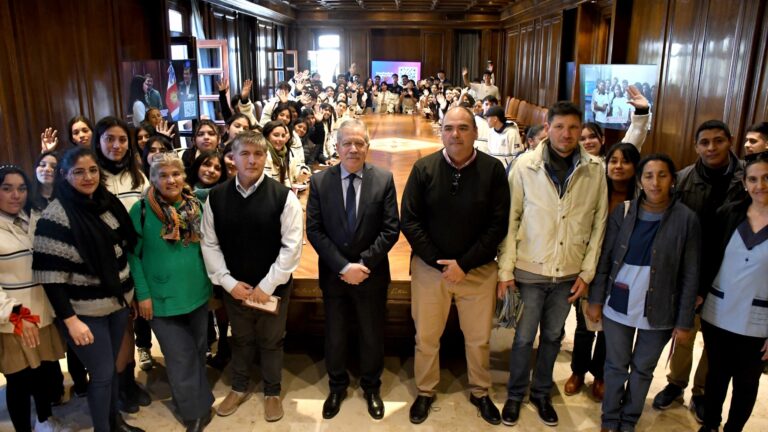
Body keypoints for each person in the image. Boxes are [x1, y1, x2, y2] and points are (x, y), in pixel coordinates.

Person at [497, 101, 608, 427]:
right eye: (560, 127)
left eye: (574, 128)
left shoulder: (594, 169)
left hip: (568, 273)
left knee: (553, 337)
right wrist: (506, 270)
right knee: (522, 337)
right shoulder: (526, 165)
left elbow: (598, 224)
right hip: (530, 270)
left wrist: (587, 273)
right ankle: (516, 395)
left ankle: (542, 393)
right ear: (548, 127)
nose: (567, 134)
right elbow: (511, 220)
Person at [401, 106, 510, 425]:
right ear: (442, 132)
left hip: (478, 270)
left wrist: (464, 263)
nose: (455, 134)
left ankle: (480, 391)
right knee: (426, 336)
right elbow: (410, 220)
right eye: (449, 128)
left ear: (476, 133)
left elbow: (498, 224)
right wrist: (440, 262)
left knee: (479, 339)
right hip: (429, 269)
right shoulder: (424, 168)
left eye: (463, 128)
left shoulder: (493, 170)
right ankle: (425, 391)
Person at [32, 147, 143, 432]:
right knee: (103, 374)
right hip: (85, 313)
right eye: (78, 172)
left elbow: (122, 249)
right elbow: (51, 277)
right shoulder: (56, 217)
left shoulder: (105, 203)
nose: (88, 177)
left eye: (93, 170)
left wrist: (128, 293)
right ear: (65, 175)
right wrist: (70, 320)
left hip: (117, 305)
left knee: (113, 372)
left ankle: (114, 423)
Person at [586, 153, 700, 432]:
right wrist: (597, 298)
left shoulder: (687, 219)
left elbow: (690, 274)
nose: (655, 182)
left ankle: (629, 419)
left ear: (673, 180)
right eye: (648, 175)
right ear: (640, 180)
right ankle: (610, 417)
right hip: (619, 302)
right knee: (615, 365)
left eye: (662, 175)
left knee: (642, 369)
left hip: (660, 307)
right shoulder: (622, 212)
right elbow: (605, 257)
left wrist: (684, 320)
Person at [201, 130, 303, 422]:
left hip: (272, 288)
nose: (252, 160)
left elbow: (292, 248)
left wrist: (267, 285)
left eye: (258, 154)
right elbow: (209, 243)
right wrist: (228, 283)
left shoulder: (284, 197)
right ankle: (239, 386)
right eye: (244, 153)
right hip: (235, 288)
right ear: (232, 158)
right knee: (241, 339)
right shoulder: (216, 197)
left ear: (266, 157)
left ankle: (272, 391)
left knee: (272, 341)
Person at [652, 120, 746, 422]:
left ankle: (702, 390)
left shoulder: (747, 177)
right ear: (696, 146)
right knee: (685, 332)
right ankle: (675, 383)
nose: (711, 148)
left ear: (730, 141)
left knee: (715, 339)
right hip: (691, 272)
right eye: (704, 142)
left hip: (731, 274)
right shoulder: (682, 180)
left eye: (718, 141)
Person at [306, 119, 400, 420]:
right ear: (337, 147)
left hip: (371, 274)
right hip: (335, 274)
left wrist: (363, 264)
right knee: (335, 332)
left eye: (359, 143)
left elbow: (390, 229)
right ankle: (337, 386)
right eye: (347, 143)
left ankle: (372, 386)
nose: (353, 148)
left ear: (367, 147)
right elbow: (315, 230)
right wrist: (344, 265)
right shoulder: (320, 182)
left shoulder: (384, 179)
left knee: (372, 332)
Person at [565, 88, 651, 401]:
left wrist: (641, 115)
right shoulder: (595, 179)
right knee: (585, 323)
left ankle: (599, 376)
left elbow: (631, 143)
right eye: (613, 161)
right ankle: (577, 370)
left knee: (611, 327)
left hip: (624, 270)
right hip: (590, 265)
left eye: (624, 162)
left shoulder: (641, 195)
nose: (617, 165)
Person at [128, 153, 214, 432]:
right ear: (153, 179)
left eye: (175, 174)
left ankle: (190, 399)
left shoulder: (196, 205)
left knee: (198, 351)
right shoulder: (141, 211)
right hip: (161, 299)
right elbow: (133, 256)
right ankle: (196, 412)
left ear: (184, 176)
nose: (170, 180)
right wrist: (142, 295)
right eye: (163, 175)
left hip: (197, 292)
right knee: (180, 357)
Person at [697, 151, 768, 432]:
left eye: (766, 178)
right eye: (753, 179)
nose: (760, 185)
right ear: (745, 183)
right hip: (718, 314)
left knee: (747, 383)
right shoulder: (728, 214)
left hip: (758, 323)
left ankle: (733, 429)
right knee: (716, 375)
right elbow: (708, 260)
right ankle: (710, 424)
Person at [0, 165, 69, 432]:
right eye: (7, 188)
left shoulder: (33, 219)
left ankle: (44, 419)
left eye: (21, 188)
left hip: (42, 312)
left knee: (43, 374)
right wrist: (15, 315)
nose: (15, 195)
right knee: (19, 381)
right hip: (14, 320)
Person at [91, 116, 152, 413]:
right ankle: (117, 387)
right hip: (105, 265)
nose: (116, 145)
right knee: (117, 328)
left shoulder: (138, 177)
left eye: (122, 139)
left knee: (131, 325)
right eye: (109, 139)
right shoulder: (91, 176)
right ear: (98, 141)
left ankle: (128, 383)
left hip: (136, 259)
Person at [263, 120, 310, 188]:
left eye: (283, 136)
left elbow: (285, 179)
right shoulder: (264, 154)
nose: (281, 139)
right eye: (276, 135)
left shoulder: (282, 154)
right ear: (267, 136)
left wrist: (290, 193)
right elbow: (268, 186)